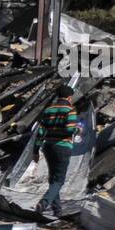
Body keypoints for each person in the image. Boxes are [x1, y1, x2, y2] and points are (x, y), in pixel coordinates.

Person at [34, 84, 78, 218]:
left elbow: (40, 131)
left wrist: (35, 151)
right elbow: (70, 130)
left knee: (53, 179)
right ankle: (44, 202)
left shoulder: (49, 110)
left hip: (48, 146)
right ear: (70, 97)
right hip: (63, 147)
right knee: (59, 181)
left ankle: (57, 210)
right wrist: (78, 130)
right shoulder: (70, 110)